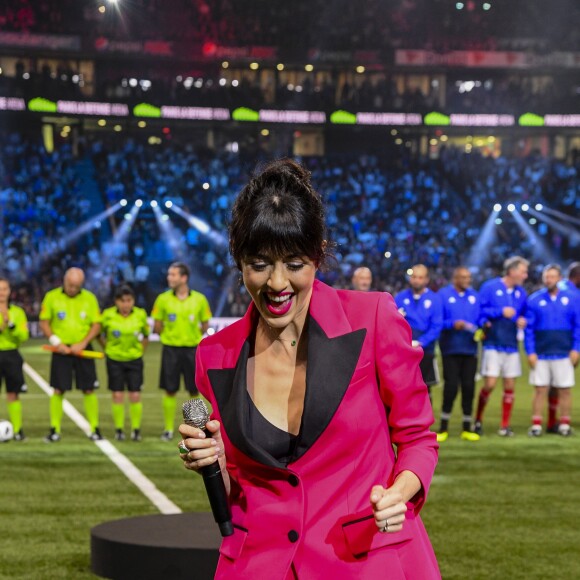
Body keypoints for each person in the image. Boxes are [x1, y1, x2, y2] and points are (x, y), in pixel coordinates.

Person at [177, 160, 440, 579]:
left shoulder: (373, 319)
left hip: (366, 561)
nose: (277, 283)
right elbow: (239, 490)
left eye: (294, 264)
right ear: (239, 261)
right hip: (258, 565)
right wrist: (216, 464)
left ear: (318, 257)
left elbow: (418, 439)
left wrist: (399, 493)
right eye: (260, 264)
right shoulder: (214, 355)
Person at [39, 268, 102, 442]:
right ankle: (54, 430)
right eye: (70, 285)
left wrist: (82, 343)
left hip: (83, 349)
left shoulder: (89, 298)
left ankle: (95, 429)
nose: (73, 288)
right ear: (64, 280)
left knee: (88, 388)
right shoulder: (51, 296)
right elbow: (44, 322)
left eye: (76, 286)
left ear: (81, 284)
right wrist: (56, 342)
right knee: (58, 389)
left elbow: (96, 325)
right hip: (61, 350)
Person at [152, 262, 212, 441]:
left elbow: (205, 324)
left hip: (192, 350)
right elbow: (157, 326)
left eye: (173, 274)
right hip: (170, 349)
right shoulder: (162, 299)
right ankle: (168, 429)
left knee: (194, 390)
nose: (169, 277)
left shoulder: (199, 299)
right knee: (170, 389)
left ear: (183, 278)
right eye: (169, 274)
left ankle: (198, 428)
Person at [474, 256, 528, 437]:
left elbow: (524, 315)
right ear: (512, 271)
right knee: (489, 384)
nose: (525, 275)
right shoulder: (490, 287)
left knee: (510, 385)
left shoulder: (521, 293)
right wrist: (499, 312)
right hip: (492, 343)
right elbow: (480, 312)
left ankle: (505, 425)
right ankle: (478, 420)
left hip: (511, 344)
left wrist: (522, 321)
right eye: (523, 271)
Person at [525, 264, 579, 437]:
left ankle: (564, 424)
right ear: (543, 278)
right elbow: (529, 329)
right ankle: (536, 425)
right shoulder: (534, 299)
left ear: (560, 278)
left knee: (565, 390)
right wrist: (530, 351)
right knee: (540, 389)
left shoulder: (572, 298)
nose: (549, 280)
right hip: (541, 352)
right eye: (547, 277)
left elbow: (578, 326)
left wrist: (576, 348)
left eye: (553, 277)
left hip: (564, 351)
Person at [436, 267, 481, 442]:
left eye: (468, 277)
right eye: (463, 277)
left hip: (470, 349)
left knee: (469, 388)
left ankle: (467, 427)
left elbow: (481, 317)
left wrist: (483, 326)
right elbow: (439, 321)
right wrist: (451, 324)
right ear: (455, 278)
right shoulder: (443, 295)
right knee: (451, 387)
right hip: (450, 349)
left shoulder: (475, 296)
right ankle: (443, 427)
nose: (466, 280)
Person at [100, 285, 150, 442]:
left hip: (134, 360)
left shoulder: (140, 315)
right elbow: (99, 334)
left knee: (135, 395)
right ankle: (119, 430)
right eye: (122, 301)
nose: (126, 304)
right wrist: (107, 348)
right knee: (117, 395)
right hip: (114, 360)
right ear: (116, 301)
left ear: (133, 301)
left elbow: (146, 336)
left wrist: (140, 351)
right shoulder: (107, 315)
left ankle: (136, 430)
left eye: (129, 301)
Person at [395, 264, 443, 399]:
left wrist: (421, 342)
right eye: (414, 277)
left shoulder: (435, 299)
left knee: (425, 389)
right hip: (404, 351)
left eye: (420, 277)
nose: (417, 280)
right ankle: (403, 419)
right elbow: (393, 323)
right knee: (403, 388)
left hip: (425, 351)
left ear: (426, 279)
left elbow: (437, 326)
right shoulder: (400, 297)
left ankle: (425, 420)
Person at [548, 261, 580, 432]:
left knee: (557, 383)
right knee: (559, 383)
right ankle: (554, 421)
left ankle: (554, 420)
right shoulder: (569, 293)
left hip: (568, 342)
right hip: (564, 344)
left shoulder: (569, 291)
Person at [0, 277, 29, 441]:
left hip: (11, 355)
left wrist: (10, 325)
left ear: (9, 291)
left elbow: (23, 336)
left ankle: (18, 431)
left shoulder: (18, 312)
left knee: (13, 393)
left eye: (4, 289)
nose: (1, 293)